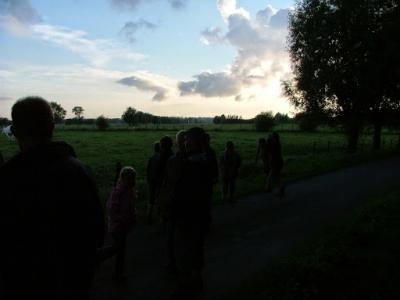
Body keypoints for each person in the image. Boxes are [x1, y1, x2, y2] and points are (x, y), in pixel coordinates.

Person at [0, 96, 105, 300]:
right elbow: (97, 232)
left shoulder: (8, 179)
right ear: (53, 126)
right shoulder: (80, 170)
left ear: (14, 131)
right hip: (75, 284)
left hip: (23, 286)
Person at [170, 127, 212, 299]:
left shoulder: (190, 165)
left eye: (188, 140)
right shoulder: (205, 160)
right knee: (196, 249)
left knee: (185, 252)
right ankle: (196, 281)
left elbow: (181, 191)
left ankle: (185, 286)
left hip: (188, 216)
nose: (185, 143)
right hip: (200, 215)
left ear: (197, 142)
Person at [159, 130, 186, 275]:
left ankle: (173, 265)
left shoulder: (174, 161)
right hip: (189, 208)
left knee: (172, 237)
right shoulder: (200, 159)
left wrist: (164, 206)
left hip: (175, 206)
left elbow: (168, 185)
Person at [106, 166, 138, 280]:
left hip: (123, 226)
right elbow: (111, 208)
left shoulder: (129, 191)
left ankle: (119, 273)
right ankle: (99, 256)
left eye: (133, 178)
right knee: (119, 249)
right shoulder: (118, 191)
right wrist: (119, 218)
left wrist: (133, 217)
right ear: (123, 178)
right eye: (130, 179)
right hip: (117, 226)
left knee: (119, 249)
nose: (132, 181)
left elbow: (130, 207)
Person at [266, 132, 285, 197]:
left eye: (272, 137)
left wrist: (268, 140)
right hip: (279, 161)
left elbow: (269, 150)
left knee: (274, 177)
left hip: (275, 162)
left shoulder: (274, 144)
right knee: (276, 176)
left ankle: (280, 188)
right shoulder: (277, 143)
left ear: (273, 138)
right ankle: (269, 188)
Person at [146, 142, 161, 225]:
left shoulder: (152, 158)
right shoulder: (161, 158)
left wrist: (148, 179)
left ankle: (149, 216)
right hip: (158, 181)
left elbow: (148, 169)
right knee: (158, 198)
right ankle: (159, 217)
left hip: (152, 180)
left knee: (151, 200)